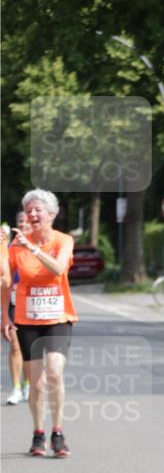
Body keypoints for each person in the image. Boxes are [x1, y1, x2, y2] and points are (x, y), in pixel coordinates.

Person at [1, 189, 77, 456]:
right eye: (29, 210)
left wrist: (31, 248)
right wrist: (4, 314)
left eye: (37, 210)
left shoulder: (63, 240)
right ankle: (38, 433)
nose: (32, 215)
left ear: (52, 215)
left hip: (58, 317)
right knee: (36, 382)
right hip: (27, 319)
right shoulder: (15, 246)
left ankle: (57, 432)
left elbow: (58, 268)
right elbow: (6, 280)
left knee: (55, 373)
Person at [4, 212, 32, 405]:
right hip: (14, 301)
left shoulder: (39, 245)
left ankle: (27, 383)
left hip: (33, 301)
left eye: (27, 222)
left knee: (29, 348)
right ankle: (15, 388)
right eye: (20, 221)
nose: (23, 224)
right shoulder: (8, 246)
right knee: (15, 345)